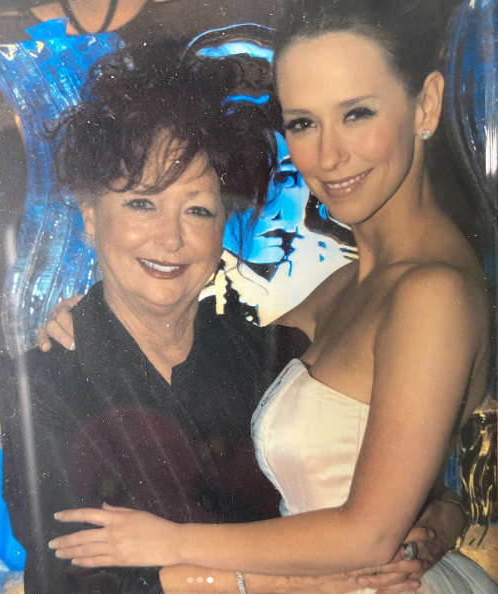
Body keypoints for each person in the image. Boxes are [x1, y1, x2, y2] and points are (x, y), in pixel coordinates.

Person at [44, 1, 498, 593]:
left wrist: (171, 544)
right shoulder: (345, 286)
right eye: (304, 122)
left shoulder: (431, 291)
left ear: (427, 104)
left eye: (357, 113)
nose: (329, 156)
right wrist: (92, 312)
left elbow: (369, 536)